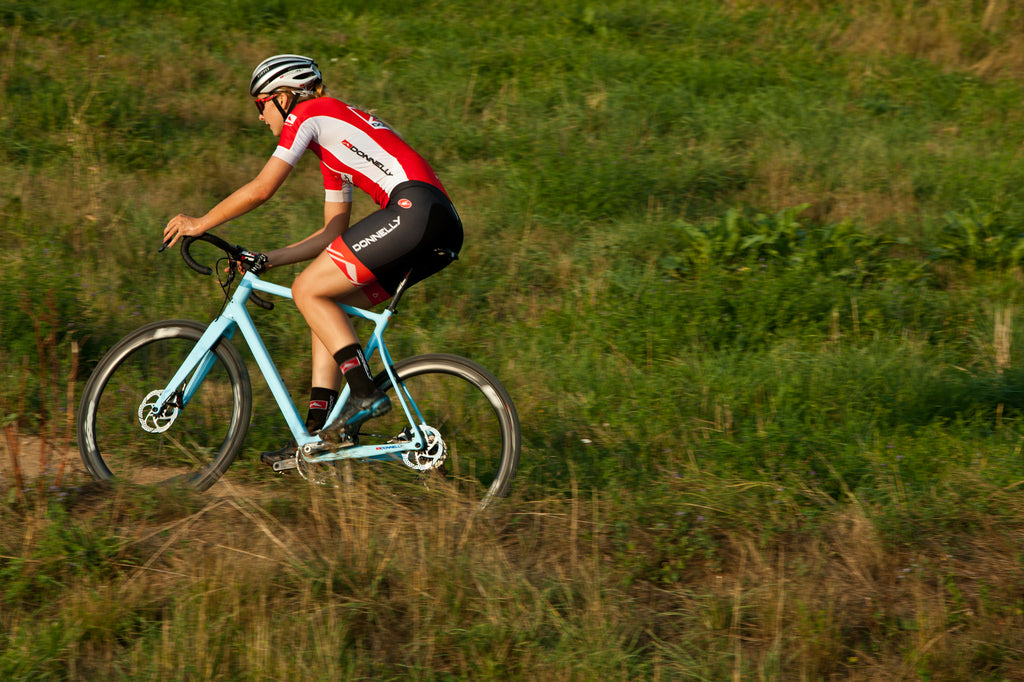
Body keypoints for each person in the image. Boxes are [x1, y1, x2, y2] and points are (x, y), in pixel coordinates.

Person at [162, 54, 463, 468]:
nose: (260, 117)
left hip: (414, 210)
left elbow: (263, 188)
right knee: (327, 305)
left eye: (260, 104)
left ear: (284, 97)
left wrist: (201, 222)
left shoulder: (309, 114)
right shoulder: (334, 140)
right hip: (438, 221)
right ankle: (317, 435)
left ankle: (363, 393)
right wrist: (271, 259)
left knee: (308, 289)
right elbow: (331, 234)